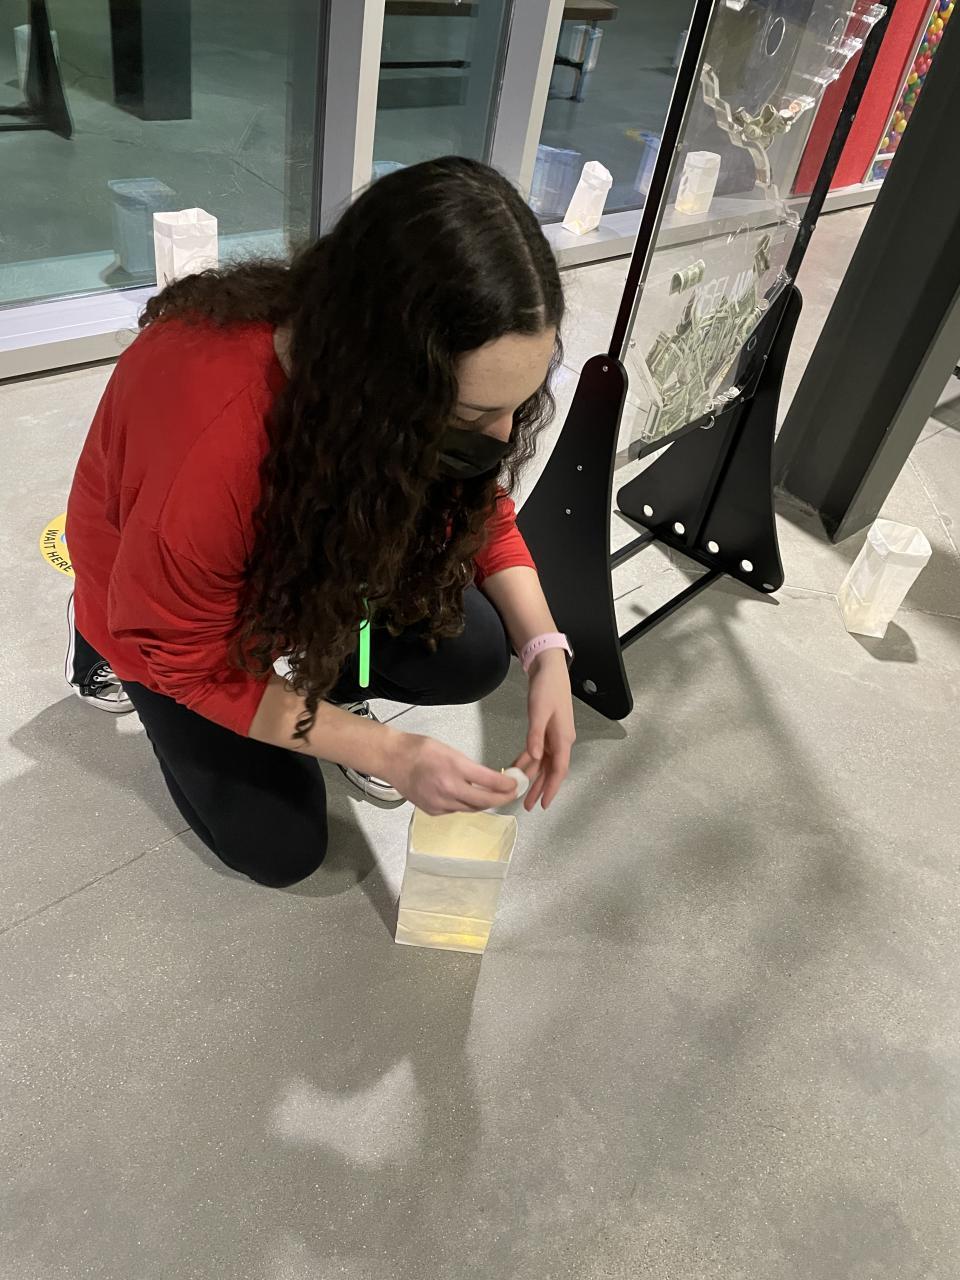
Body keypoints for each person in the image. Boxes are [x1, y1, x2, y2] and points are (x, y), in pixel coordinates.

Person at [65, 156, 575, 889]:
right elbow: (191, 665)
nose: (500, 437)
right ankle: (91, 630)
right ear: (378, 372)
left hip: (300, 561)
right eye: (472, 414)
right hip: (163, 619)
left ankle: (323, 682)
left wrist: (547, 652)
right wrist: (387, 751)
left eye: (516, 406)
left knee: (475, 651)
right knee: (282, 848)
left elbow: (473, 507)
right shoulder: (215, 454)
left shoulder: (374, 391)